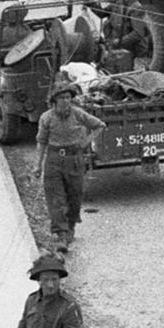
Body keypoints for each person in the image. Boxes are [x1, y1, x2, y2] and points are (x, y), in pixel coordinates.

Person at [34, 78, 103, 254]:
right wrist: (38, 165)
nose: (66, 101)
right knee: (56, 199)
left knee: (75, 195)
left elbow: (99, 126)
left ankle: (71, 225)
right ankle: (61, 235)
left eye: (68, 97)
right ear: (54, 100)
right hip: (54, 160)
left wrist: (85, 142)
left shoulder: (78, 114)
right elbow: (41, 142)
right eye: (62, 97)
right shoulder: (46, 118)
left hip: (75, 160)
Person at [99, 0, 152, 69]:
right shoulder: (118, 3)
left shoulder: (136, 8)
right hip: (119, 50)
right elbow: (102, 14)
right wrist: (92, 5)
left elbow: (138, 33)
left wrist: (118, 42)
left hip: (134, 54)